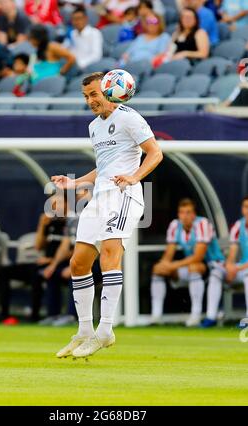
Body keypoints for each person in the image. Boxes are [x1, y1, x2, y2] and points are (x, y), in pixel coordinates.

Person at [53, 71, 162, 359]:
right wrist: (73, 183)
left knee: (110, 254)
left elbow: (155, 153)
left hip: (125, 195)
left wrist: (134, 176)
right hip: (99, 197)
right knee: (78, 263)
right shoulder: (94, 127)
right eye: (86, 96)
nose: (90, 101)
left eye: (94, 94)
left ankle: (106, 330)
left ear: (109, 90)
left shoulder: (129, 117)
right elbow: (102, 168)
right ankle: (85, 330)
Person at [150, 198, 225, 327]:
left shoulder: (202, 224)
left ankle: (195, 315)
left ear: (194, 214)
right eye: (182, 212)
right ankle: (156, 316)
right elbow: (168, 254)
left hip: (213, 266)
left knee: (194, 267)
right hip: (189, 268)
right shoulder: (175, 225)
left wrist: (173, 265)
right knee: (158, 269)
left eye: (188, 212)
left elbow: (198, 256)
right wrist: (165, 265)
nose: (185, 216)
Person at [0, 193, 68, 324]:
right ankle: (4, 314)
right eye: (52, 205)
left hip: (61, 264)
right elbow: (38, 246)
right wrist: (41, 226)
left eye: (57, 204)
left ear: (67, 205)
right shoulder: (50, 224)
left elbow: (72, 249)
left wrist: (52, 261)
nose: (54, 208)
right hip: (44, 263)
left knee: (38, 274)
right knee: (4, 271)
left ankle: (35, 316)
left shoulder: (71, 224)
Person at [202, 197, 248, 327]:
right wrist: (229, 267)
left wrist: (236, 269)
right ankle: (211, 317)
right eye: (245, 206)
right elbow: (232, 252)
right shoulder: (239, 225)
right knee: (216, 273)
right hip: (242, 268)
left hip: (244, 270)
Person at [64, 7, 103, 71]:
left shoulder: (94, 33)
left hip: (87, 67)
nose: (76, 22)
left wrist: (79, 64)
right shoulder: (72, 33)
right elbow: (65, 48)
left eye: (79, 18)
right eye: (74, 19)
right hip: (71, 65)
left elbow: (96, 56)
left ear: (86, 19)